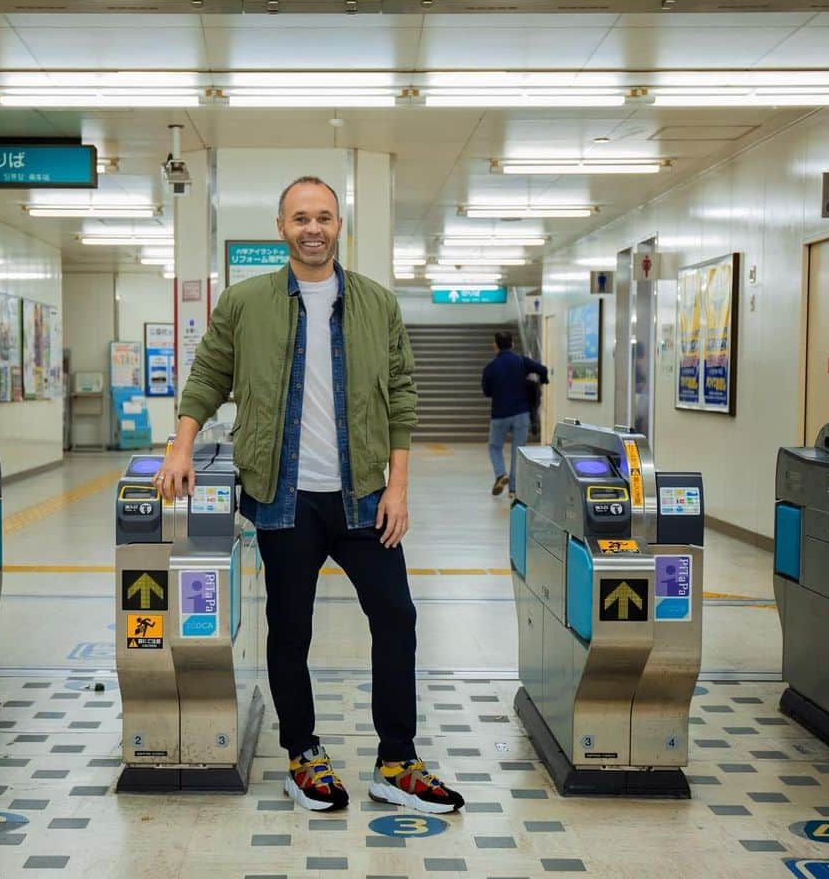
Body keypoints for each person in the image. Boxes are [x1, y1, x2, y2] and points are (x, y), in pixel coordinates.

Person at [156, 176, 464, 815]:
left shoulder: (377, 303)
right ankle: (303, 755)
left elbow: (403, 394)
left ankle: (397, 761)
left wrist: (398, 488)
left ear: (339, 226)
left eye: (324, 216)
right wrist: (180, 443)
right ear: (281, 227)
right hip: (281, 495)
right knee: (290, 628)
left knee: (397, 617)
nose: (313, 228)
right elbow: (210, 371)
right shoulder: (247, 303)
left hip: (363, 496)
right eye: (301, 218)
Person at [481, 332, 549, 500]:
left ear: (495, 345)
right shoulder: (521, 361)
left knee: (494, 447)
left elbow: (486, 392)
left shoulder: (491, 367)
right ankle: (513, 489)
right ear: (511, 344)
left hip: (500, 414)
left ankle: (500, 474)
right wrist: (543, 381)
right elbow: (542, 369)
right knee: (518, 451)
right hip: (521, 413)